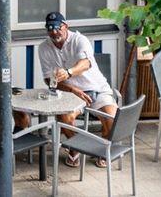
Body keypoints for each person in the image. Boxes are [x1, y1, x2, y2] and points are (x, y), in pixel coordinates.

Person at [37, 11, 118, 163]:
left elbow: (85, 64)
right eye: (50, 28)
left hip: (97, 88)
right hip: (71, 93)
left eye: (57, 27)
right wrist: (73, 89)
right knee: (63, 117)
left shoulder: (80, 40)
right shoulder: (43, 47)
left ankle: (103, 150)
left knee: (112, 119)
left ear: (66, 26)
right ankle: (76, 147)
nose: (54, 32)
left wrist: (68, 73)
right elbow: (48, 80)